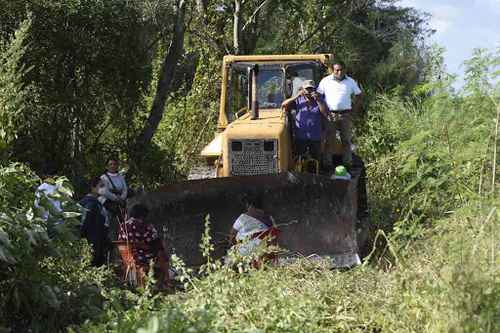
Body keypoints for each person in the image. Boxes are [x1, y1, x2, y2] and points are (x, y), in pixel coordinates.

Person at [317, 60, 363, 168]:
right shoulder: (325, 81)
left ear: (345, 70)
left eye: (341, 70)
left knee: (346, 141)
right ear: (333, 70)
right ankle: (327, 165)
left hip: (346, 115)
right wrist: (324, 111)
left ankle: (347, 164)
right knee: (329, 141)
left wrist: (354, 111)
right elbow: (318, 96)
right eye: (337, 70)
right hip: (330, 115)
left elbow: (359, 95)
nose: (339, 72)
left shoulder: (350, 81)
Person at [118, 204, 170, 287]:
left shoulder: (122, 226)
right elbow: (155, 243)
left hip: (127, 258)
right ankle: (165, 282)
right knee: (162, 254)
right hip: (141, 258)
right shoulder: (144, 225)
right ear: (143, 216)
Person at [281, 80, 328, 161]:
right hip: (301, 136)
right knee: (300, 158)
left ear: (314, 90)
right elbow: (284, 105)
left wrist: (318, 100)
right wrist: (297, 96)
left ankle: (316, 172)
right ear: (303, 90)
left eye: (311, 89)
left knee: (316, 159)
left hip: (315, 136)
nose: (309, 91)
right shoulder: (298, 100)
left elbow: (325, 113)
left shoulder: (320, 99)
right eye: (307, 89)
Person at [229, 194, 279, 260]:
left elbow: (232, 235)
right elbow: (275, 237)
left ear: (249, 205)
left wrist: (233, 244)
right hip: (264, 252)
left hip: (245, 254)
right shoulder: (269, 218)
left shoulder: (243, 218)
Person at [80, 176, 109, 266]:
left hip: (98, 242)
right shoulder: (89, 203)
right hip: (91, 243)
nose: (103, 189)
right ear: (93, 187)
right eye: (101, 186)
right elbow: (84, 224)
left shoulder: (96, 203)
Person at [99, 157, 128, 231]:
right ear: (107, 166)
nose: (112, 166)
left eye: (114, 164)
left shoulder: (121, 177)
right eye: (110, 164)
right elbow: (104, 191)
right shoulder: (103, 177)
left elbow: (125, 189)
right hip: (107, 201)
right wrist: (116, 198)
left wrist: (122, 198)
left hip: (120, 201)